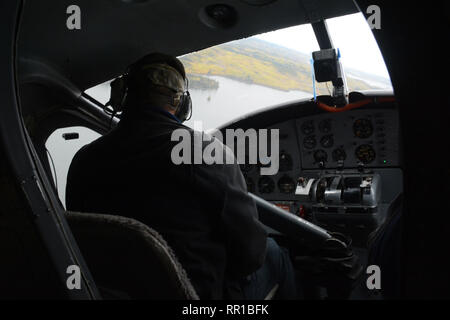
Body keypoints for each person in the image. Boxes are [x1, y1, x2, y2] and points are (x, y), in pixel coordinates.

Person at [66, 53, 297, 299]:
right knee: (274, 253)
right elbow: (251, 255)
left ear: (122, 96)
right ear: (182, 104)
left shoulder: (84, 159)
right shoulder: (205, 152)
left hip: (111, 293)